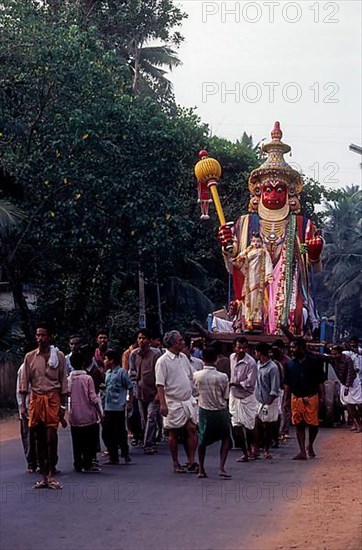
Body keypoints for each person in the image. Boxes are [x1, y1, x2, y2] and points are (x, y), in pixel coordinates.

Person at [217, 122, 323, 335]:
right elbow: (233, 262)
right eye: (268, 190)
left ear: (289, 192)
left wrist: (312, 253)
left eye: (279, 190)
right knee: (251, 313)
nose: (273, 196)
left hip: (289, 288)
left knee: (294, 313)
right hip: (254, 290)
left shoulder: (303, 225)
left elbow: (310, 264)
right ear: (259, 191)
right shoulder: (244, 223)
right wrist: (227, 244)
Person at [19, 323, 68, 490]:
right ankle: (44, 476)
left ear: (50, 337)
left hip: (53, 398)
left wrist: (63, 406)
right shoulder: (30, 357)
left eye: (43, 335)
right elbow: (24, 382)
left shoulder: (59, 356)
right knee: (38, 439)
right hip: (36, 399)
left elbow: (63, 381)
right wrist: (23, 407)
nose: (40, 338)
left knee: (51, 437)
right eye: (38, 335)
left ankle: (51, 471)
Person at [155, 330, 198, 474]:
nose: (183, 342)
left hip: (187, 400)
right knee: (174, 433)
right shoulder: (163, 361)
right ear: (173, 343)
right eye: (180, 340)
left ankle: (191, 461)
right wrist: (163, 404)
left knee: (191, 429)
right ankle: (175, 463)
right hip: (172, 402)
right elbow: (160, 384)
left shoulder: (183, 358)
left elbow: (192, 375)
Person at [193, 347, 232, 479]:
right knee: (226, 438)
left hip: (204, 410)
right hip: (220, 410)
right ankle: (221, 467)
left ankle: (201, 469)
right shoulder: (223, 377)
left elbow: (194, 393)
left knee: (202, 440)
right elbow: (226, 396)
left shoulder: (196, 375)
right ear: (216, 359)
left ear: (203, 359)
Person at [284, 338, 325, 460]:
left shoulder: (314, 362)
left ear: (302, 347)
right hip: (296, 397)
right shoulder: (290, 364)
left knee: (313, 425)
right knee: (298, 424)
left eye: (294, 347)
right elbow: (287, 384)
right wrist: (286, 400)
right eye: (290, 347)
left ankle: (310, 445)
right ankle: (302, 451)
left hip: (311, 397)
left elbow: (320, 382)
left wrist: (322, 398)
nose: (291, 350)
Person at [68, 352, 103, 472]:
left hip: (75, 416)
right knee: (89, 441)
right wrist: (100, 412)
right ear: (83, 364)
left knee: (76, 442)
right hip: (89, 415)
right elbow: (93, 397)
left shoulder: (69, 379)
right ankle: (88, 462)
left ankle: (77, 463)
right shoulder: (88, 378)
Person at [231, 234, 273, 332]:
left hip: (258, 279)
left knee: (256, 299)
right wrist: (235, 262)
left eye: (258, 241)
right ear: (251, 242)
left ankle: (256, 321)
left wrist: (269, 275)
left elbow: (268, 264)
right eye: (254, 241)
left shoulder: (263, 252)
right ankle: (247, 321)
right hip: (249, 278)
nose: (256, 243)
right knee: (247, 299)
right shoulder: (247, 252)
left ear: (261, 242)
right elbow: (239, 263)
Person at [129, 328, 161, 454]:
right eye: (139, 338)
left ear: (149, 340)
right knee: (144, 419)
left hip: (153, 391)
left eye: (144, 338)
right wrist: (135, 377)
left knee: (152, 416)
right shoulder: (133, 354)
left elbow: (160, 373)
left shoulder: (156, 354)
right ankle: (149, 439)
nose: (141, 340)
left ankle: (148, 444)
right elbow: (131, 371)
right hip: (140, 392)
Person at [228, 337, 258, 462]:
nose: (241, 350)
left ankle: (254, 449)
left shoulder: (251, 363)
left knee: (250, 426)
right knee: (236, 425)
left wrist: (236, 383)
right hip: (234, 396)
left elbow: (250, 382)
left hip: (247, 397)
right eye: (239, 347)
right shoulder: (231, 357)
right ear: (234, 347)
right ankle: (245, 453)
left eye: (244, 348)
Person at [102, 349, 133, 465]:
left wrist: (129, 402)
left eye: (106, 359)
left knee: (119, 431)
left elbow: (130, 386)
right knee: (108, 432)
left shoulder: (121, 373)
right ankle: (113, 454)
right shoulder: (108, 373)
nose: (104, 361)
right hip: (108, 406)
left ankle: (124, 453)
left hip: (118, 406)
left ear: (111, 360)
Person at [254, 342, 281, 459]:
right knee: (255, 425)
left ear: (259, 353)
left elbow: (274, 389)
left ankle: (266, 449)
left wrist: (267, 404)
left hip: (268, 401)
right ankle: (255, 448)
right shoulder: (257, 365)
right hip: (257, 400)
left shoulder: (273, 368)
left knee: (267, 426)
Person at [327, 346, 362, 432]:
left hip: (353, 382)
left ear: (340, 353)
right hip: (344, 383)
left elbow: (350, 373)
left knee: (358, 403)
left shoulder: (347, 359)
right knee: (347, 404)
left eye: (335, 354)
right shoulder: (332, 359)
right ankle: (357, 423)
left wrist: (347, 386)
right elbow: (321, 356)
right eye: (332, 354)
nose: (334, 356)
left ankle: (359, 423)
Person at [16, 363, 37, 473]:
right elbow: (20, 391)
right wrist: (22, 407)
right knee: (28, 436)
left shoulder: (41, 365)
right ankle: (31, 463)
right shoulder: (23, 368)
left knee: (38, 435)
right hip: (27, 406)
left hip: (38, 406)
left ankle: (40, 462)